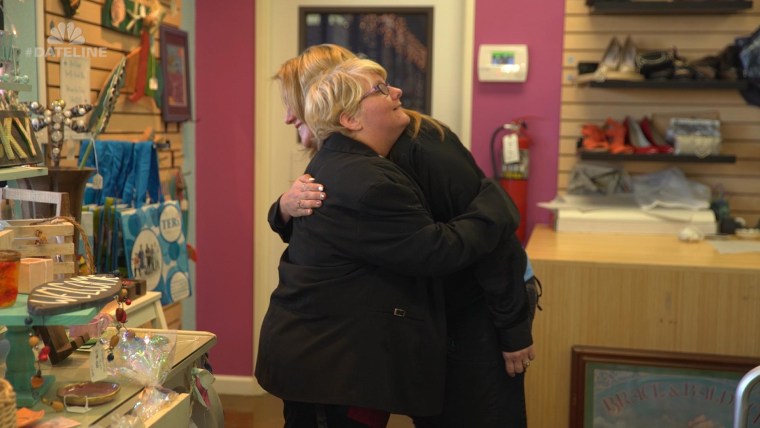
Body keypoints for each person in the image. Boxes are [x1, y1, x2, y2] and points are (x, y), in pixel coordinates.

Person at [269, 44, 536, 427]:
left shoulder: (420, 147)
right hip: (435, 311)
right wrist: (282, 207)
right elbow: (330, 232)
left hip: (483, 301)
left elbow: (492, 248)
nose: (289, 116)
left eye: (293, 102)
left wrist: (512, 329)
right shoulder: (345, 159)